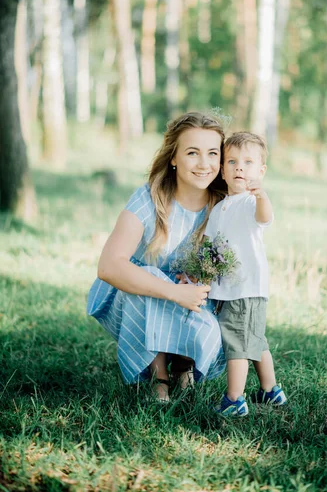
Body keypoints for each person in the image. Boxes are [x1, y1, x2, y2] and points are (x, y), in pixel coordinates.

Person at [87, 112, 228, 402]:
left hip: (193, 299)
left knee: (208, 291)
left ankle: (183, 363)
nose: (204, 164)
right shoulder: (149, 198)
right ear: (173, 158)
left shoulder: (224, 206)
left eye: (213, 153)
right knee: (148, 279)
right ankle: (157, 374)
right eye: (192, 153)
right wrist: (175, 292)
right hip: (136, 300)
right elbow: (109, 266)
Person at [204, 132, 287, 416]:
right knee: (254, 340)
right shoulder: (218, 208)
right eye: (232, 161)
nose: (240, 167)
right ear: (223, 171)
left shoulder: (253, 202)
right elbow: (210, 247)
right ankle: (271, 391)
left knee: (237, 343)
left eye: (248, 162)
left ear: (260, 171)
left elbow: (265, 218)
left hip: (247, 287)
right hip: (228, 287)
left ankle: (234, 399)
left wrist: (261, 194)